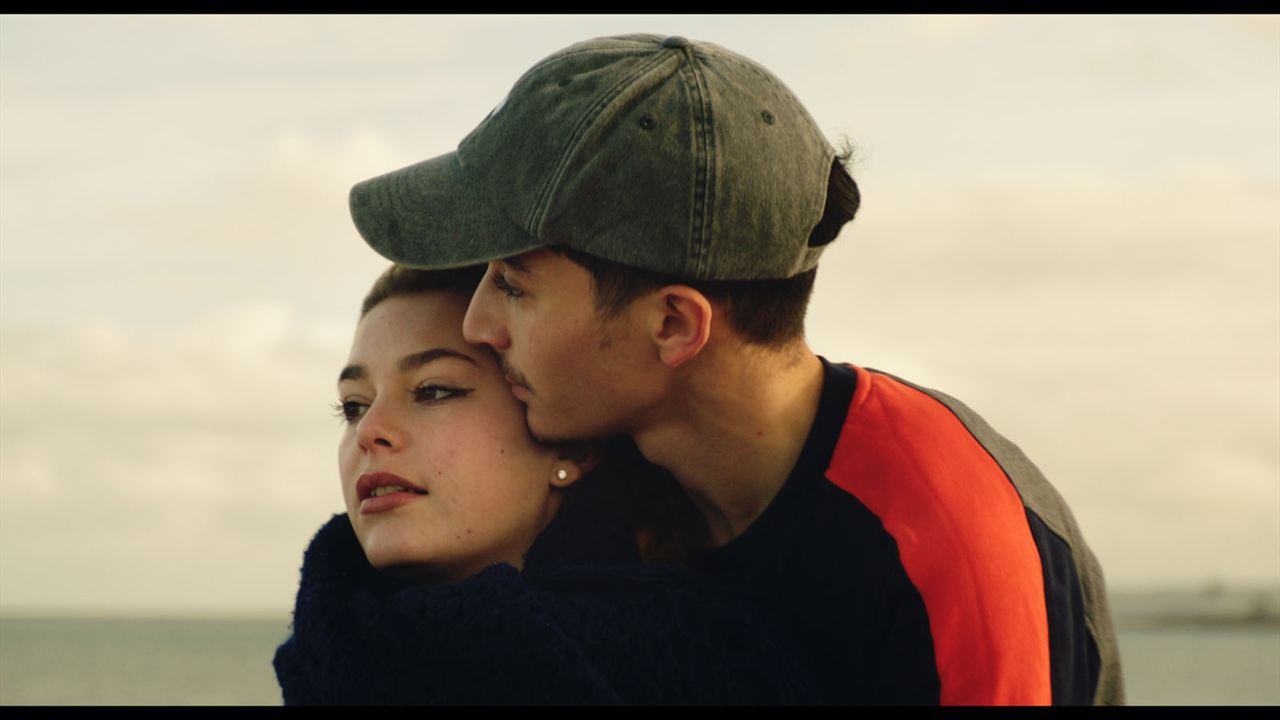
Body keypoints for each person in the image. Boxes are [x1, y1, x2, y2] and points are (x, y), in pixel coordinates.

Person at [345, 34, 1125, 705]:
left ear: (674, 325)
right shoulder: (609, 487)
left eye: (514, 285)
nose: (479, 323)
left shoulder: (946, 548)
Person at [272, 264, 818, 705]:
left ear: (570, 446)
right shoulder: (326, 657)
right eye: (353, 406)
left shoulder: (715, 668)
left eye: (434, 390)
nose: (370, 431)